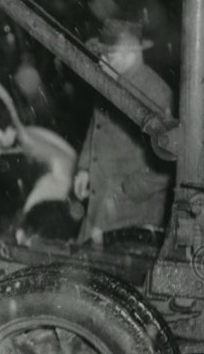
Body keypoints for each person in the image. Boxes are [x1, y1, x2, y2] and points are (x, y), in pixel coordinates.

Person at [72, 18, 174, 245]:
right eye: (101, 54)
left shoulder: (155, 92)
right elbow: (96, 126)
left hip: (133, 213)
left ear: (131, 54)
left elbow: (171, 160)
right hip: (100, 205)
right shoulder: (111, 81)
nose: (101, 61)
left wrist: (129, 189)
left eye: (109, 56)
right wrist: (84, 168)